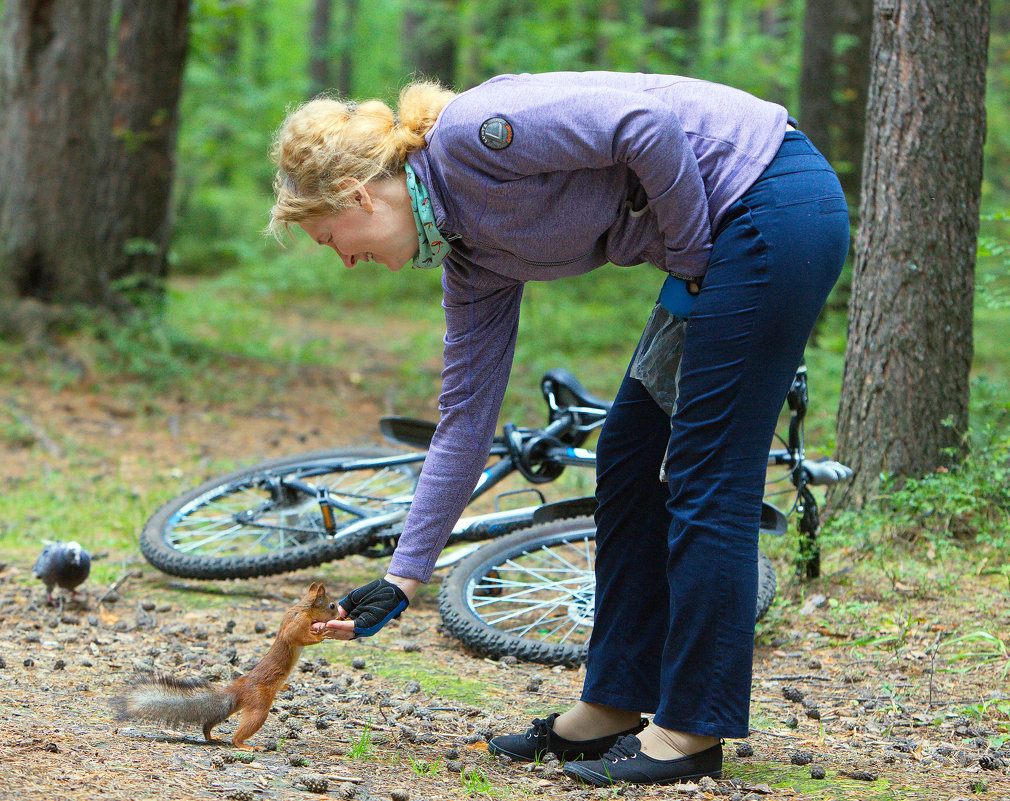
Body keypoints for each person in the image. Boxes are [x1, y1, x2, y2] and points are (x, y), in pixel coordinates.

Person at [269, 71, 849, 787]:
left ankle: (693, 727)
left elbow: (645, 125)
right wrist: (404, 575)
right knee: (632, 457)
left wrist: (693, 260)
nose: (345, 259)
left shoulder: (475, 135)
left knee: (705, 473)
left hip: (770, 206)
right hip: (718, 244)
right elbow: (464, 423)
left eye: (332, 238)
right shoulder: (471, 256)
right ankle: (615, 701)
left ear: (357, 196)